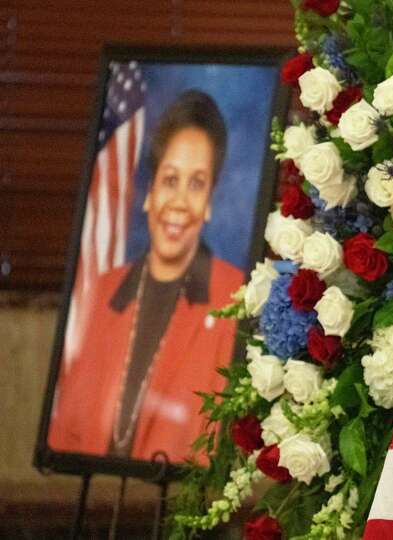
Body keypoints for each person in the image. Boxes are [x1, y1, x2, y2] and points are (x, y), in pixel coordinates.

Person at [48, 90, 244, 461]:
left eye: (197, 184)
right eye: (170, 180)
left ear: (209, 204)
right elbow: (65, 434)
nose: (180, 203)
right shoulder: (105, 290)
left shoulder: (233, 298)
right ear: (149, 193)